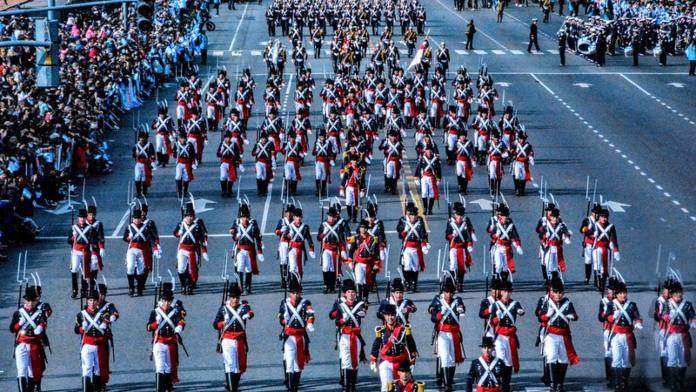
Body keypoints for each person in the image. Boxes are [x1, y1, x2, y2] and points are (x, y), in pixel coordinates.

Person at [538, 278, 580, 392]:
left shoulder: (567, 303)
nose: (558, 295)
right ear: (552, 292)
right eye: (556, 292)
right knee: (551, 357)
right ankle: (553, 384)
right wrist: (547, 315)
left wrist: (572, 316)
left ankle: (560, 383)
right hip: (551, 334)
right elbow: (540, 317)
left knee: (563, 359)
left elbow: (575, 315)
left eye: (560, 292)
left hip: (564, 335)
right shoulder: (548, 303)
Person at [213, 284, 254, 392]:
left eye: (237, 297)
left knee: (237, 365)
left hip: (240, 339)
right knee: (229, 363)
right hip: (227, 339)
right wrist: (222, 323)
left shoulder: (243, 307)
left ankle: (234, 386)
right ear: (229, 298)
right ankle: (232, 388)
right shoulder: (223, 309)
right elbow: (215, 324)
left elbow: (250, 312)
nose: (235, 300)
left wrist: (248, 315)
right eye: (233, 297)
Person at [603, 280, 642, 391]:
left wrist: (638, 323)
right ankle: (617, 382)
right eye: (620, 293)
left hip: (628, 335)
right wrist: (612, 317)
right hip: (616, 335)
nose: (623, 295)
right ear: (616, 294)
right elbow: (606, 316)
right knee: (616, 359)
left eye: (624, 292)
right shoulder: (611, 304)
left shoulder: (632, 305)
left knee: (626, 360)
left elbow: (637, 316)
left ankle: (624, 382)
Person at [329, 278, 368, 391]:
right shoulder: (339, 303)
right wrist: (340, 316)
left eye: (353, 291)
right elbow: (332, 315)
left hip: (355, 334)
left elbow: (363, 311)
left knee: (354, 359)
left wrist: (364, 309)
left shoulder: (359, 303)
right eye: (349, 291)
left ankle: (352, 383)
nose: (351, 294)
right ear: (345, 293)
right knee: (345, 358)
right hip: (344, 333)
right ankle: (346, 384)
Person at [278, 273, 315, 392]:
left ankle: (295, 384)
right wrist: (284, 319)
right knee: (289, 360)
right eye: (293, 293)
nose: (295, 295)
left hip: (301, 335)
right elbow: (280, 318)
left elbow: (310, 313)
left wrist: (309, 323)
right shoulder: (284, 303)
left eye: (298, 292)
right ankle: (290, 387)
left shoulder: (305, 302)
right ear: (290, 293)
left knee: (299, 361)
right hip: (289, 335)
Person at [429, 278, 466, 391]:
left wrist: (461, 309)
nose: (449, 294)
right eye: (446, 292)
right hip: (442, 333)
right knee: (444, 356)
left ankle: (449, 379)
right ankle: (447, 383)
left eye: (451, 292)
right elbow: (432, 316)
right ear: (443, 292)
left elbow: (462, 308)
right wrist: (440, 314)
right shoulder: (438, 300)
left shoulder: (457, 300)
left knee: (453, 358)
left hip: (454, 333)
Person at [370, 304, 418, 392]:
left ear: (395, 315)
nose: (390, 317)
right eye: (388, 315)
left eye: (392, 315)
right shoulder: (381, 331)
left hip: (401, 363)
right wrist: (373, 359)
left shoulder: (403, 329)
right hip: (386, 362)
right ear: (384, 316)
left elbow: (411, 344)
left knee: (401, 387)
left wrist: (412, 361)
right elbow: (376, 345)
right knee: (386, 386)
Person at [147, 288, 187, 391]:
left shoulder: (175, 312)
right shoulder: (155, 312)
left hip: (171, 343)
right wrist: (156, 323)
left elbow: (181, 321)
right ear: (161, 301)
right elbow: (148, 327)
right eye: (164, 301)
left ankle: (168, 387)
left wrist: (179, 328)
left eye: (168, 301)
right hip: (159, 342)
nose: (166, 303)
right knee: (160, 367)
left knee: (169, 367)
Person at [10, 286, 48, 392]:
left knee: (33, 372)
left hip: (35, 344)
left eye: (32, 301)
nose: (30, 303)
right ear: (24, 300)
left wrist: (41, 327)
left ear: (35, 301)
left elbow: (44, 323)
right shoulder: (18, 313)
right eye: (28, 301)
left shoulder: (40, 313)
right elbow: (12, 329)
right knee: (21, 371)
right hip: (21, 344)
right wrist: (19, 324)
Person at [75, 289, 112, 391]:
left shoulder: (103, 313)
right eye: (90, 300)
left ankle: (97, 388)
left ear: (97, 301)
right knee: (86, 368)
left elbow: (107, 319)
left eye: (94, 300)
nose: (92, 303)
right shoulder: (81, 314)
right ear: (87, 301)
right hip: (87, 344)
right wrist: (82, 328)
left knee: (98, 369)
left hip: (100, 345)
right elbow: (76, 330)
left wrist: (105, 323)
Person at [490, 280, 525, 392]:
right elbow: (491, 322)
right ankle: (499, 381)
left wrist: (520, 311)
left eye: (509, 291)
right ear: (501, 292)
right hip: (500, 336)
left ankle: (506, 383)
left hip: (510, 336)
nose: (507, 294)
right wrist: (497, 318)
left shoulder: (515, 304)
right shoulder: (496, 305)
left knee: (509, 361)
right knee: (500, 358)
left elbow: (520, 310)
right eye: (505, 291)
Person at [661, 280, 695, 391]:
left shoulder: (688, 305)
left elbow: (692, 316)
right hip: (672, 335)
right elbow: (664, 314)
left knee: (683, 360)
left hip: (684, 335)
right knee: (672, 359)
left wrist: (693, 322)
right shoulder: (667, 303)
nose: (678, 297)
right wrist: (666, 316)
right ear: (672, 295)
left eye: (680, 294)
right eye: (676, 295)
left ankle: (680, 380)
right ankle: (673, 381)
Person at [173, 202, 208, 295]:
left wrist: (204, 252)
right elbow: (175, 233)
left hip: (193, 250)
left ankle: (190, 285)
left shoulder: (197, 226)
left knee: (192, 269)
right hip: (182, 249)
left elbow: (202, 239)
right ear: (185, 217)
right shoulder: (180, 224)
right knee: (181, 268)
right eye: (188, 216)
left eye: (191, 216)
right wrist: (178, 233)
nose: (189, 218)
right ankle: (183, 285)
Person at [230, 203, 264, 294]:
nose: (245, 219)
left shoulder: (253, 224)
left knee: (249, 269)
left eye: (246, 217)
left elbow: (257, 237)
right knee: (240, 267)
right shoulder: (236, 223)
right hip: (240, 250)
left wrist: (260, 251)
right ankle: (240, 287)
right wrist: (235, 235)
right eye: (243, 217)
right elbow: (233, 235)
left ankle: (248, 287)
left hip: (250, 250)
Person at [123, 208, 157, 296]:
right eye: (135, 218)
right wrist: (128, 238)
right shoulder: (129, 227)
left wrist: (156, 248)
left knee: (140, 270)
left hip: (142, 250)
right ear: (132, 219)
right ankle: (131, 287)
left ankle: (139, 288)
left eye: (138, 218)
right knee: (130, 267)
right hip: (132, 249)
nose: (137, 220)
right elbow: (124, 238)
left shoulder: (146, 227)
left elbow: (153, 238)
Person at [397, 203, 429, 292]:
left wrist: (424, 244)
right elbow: (400, 234)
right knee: (407, 265)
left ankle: (414, 283)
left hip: (417, 247)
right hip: (407, 247)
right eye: (411, 215)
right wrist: (404, 230)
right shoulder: (403, 220)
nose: (413, 217)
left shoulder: (420, 221)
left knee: (415, 267)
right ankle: (408, 282)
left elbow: (423, 234)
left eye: (415, 215)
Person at [347, 222, 380, 303]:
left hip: (369, 263)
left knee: (367, 282)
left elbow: (376, 252)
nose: (363, 229)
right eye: (361, 227)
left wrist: (376, 263)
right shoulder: (356, 238)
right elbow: (351, 251)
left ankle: (365, 297)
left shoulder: (373, 239)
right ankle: (359, 297)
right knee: (359, 280)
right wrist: (350, 261)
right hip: (359, 263)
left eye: (365, 227)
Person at [446, 202, 475, 292]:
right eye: (457, 215)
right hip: (453, 247)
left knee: (461, 267)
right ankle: (453, 281)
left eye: (461, 215)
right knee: (453, 265)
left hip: (462, 248)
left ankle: (460, 283)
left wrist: (470, 244)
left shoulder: (465, 223)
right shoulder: (450, 223)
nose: (459, 217)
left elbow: (469, 235)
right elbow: (447, 235)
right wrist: (452, 236)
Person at [69, 208, 96, 299]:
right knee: (74, 269)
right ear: (78, 218)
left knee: (85, 272)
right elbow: (69, 241)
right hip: (76, 251)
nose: (82, 219)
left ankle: (84, 290)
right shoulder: (74, 228)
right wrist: (72, 237)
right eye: (80, 217)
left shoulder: (90, 228)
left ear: (86, 218)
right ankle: (74, 290)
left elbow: (94, 240)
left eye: (83, 217)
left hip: (85, 252)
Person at [217, 131, 243, 198]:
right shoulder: (222, 144)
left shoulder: (234, 145)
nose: (228, 139)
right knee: (223, 176)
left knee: (231, 178)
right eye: (226, 138)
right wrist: (221, 151)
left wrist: (239, 163)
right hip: (224, 162)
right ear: (224, 138)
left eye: (229, 138)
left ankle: (229, 190)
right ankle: (223, 190)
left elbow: (237, 155)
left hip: (231, 163)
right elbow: (218, 154)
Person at [133, 130, 156, 197]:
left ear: (146, 138)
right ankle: (138, 192)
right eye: (141, 138)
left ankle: (144, 191)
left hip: (146, 163)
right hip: (139, 163)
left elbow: (152, 154)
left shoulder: (149, 145)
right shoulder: (136, 146)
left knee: (144, 178)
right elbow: (133, 156)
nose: (142, 139)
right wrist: (136, 154)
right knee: (137, 177)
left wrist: (152, 161)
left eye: (143, 138)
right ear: (139, 138)